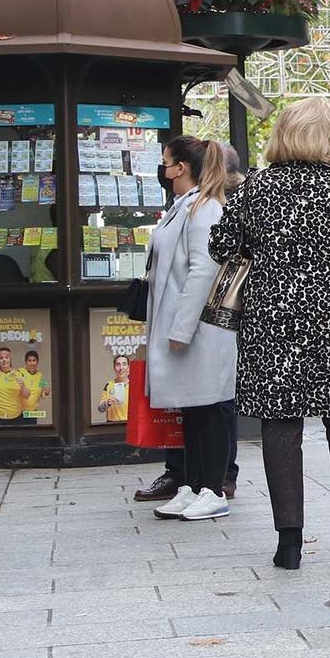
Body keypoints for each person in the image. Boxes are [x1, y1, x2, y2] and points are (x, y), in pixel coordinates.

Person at [210, 98, 330, 570]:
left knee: (280, 424)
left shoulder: (256, 188)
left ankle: (288, 539)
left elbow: (222, 245)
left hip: (272, 322)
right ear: (323, 139)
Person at [143, 136, 239, 523]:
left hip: (200, 329)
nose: (163, 169)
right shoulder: (186, 206)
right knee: (194, 409)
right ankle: (195, 484)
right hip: (185, 325)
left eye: (166, 162)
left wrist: (182, 327)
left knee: (209, 407)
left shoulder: (204, 208)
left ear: (180, 167)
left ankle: (212, 489)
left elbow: (204, 268)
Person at [97, 354, 131, 425]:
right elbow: (100, 409)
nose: (121, 368)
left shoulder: (134, 385)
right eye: (118, 364)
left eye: (124, 364)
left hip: (130, 424)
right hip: (111, 425)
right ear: (114, 367)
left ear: (128, 367)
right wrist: (107, 403)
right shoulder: (109, 385)